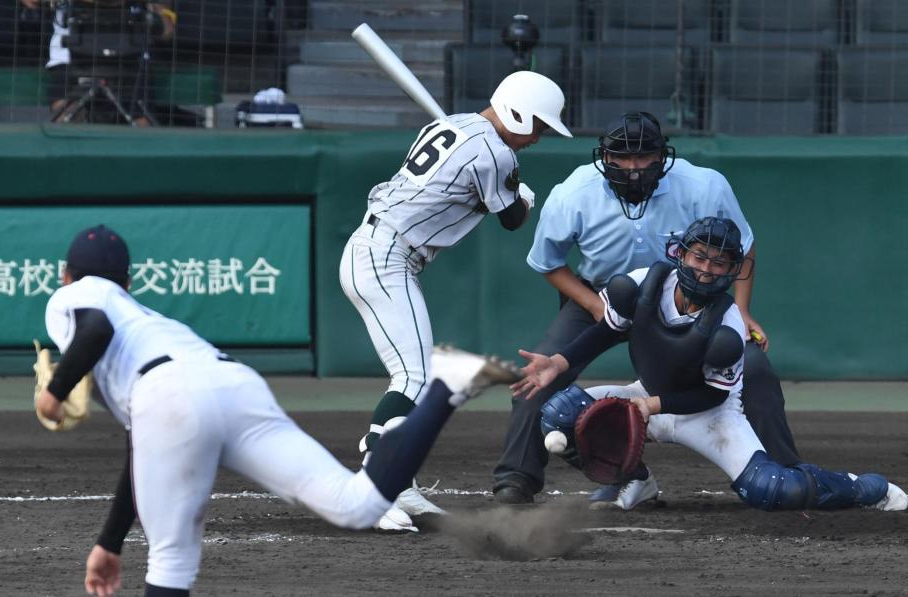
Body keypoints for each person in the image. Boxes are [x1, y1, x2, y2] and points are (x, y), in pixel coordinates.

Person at [35, 224, 520, 597]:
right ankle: (445, 388)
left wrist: (54, 390)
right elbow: (140, 451)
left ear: (65, 274)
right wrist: (110, 543)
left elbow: (94, 328)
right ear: (129, 279)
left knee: (171, 561)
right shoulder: (150, 319)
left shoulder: (78, 294)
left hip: (165, 395)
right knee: (357, 504)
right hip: (231, 382)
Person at [492, 111, 800, 505]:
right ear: (603, 157)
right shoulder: (572, 193)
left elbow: (741, 247)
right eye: (620, 158)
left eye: (642, 158)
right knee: (544, 372)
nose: (632, 168)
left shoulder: (703, 186)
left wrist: (741, 309)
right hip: (601, 295)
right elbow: (547, 261)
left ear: (662, 156)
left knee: (753, 369)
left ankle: (787, 471)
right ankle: (517, 478)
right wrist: (592, 304)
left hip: (689, 299)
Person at [511, 217, 908, 513]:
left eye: (719, 263)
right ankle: (635, 480)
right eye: (700, 256)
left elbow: (711, 392)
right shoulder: (640, 284)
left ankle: (866, 488)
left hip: (709, 414)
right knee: (560, 415)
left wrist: (652, 408)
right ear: (680, 254)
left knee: (774, 490)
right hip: (644, 393)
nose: (706, 268)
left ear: (733, 270)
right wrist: (558, 362)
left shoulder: (727, 328)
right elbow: (604, 331)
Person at [339, 70, 572, 530]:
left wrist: (508, 191)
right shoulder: (496, 155)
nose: (539, 137)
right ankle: (374, 483)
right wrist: (521, 197)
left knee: (413, 376)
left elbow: (467, 192)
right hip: (386, 255)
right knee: (413, 376)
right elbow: (511, 220)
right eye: (538, 126)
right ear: (516, 112)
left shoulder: (456, 126)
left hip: (379, 250)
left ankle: (397, 482)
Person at [18, 0, 176, 124]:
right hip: (70, 58)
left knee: (141, 120)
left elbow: (167, 29)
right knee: (66, 114)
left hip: (131, 59)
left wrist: (157, 19)